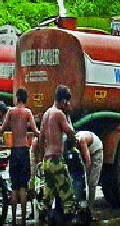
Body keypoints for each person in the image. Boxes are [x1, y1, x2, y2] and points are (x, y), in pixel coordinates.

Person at [0, 87, 39, 226]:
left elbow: (1, 130)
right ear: (25, 99)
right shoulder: (28, 112)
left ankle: (13, 221)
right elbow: (35, 131)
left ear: (18, 97)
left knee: (14, 188)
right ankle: (23, 221)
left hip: (14, 151)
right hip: (24, 151)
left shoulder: (11, 111)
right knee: (23, 188)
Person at [39, 85, 76, 225]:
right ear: (63, 101)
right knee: (68, 198)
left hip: (47, 161)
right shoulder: (59, 114)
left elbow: (41, 138)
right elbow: (69, 132)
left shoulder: (46, 114)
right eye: (67, 101)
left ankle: (43, 220)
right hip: (56, 160)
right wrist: (74, 140)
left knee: (47, 199)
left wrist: (41, 159)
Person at [76, 130, 103, 215]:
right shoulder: (73, 141)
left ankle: (90, 208)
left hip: (96, 152)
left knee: (92, 182)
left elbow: (88, 161)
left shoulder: (82, 140)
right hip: (87, 151)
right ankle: (81, 205)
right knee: (80, 181)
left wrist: (86, 173)